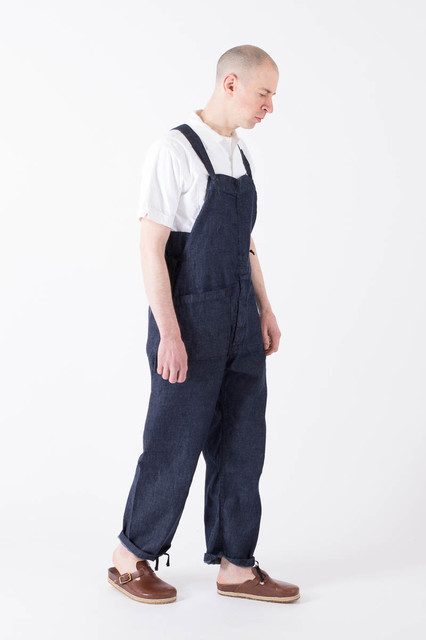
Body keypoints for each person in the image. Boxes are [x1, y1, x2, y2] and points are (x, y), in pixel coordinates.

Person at [107, 44, 300, 604]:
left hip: (240, 320)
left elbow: (244, 243)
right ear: (231, 84)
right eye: (264, 94)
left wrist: (265, 307)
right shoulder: (174, 150)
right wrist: (168, 332)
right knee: (174, 440)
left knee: (243, 443)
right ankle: (130, 557)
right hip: (190, 321)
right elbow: (150, 248)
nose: (269, 107)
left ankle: (236, 565)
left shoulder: (240, 154)